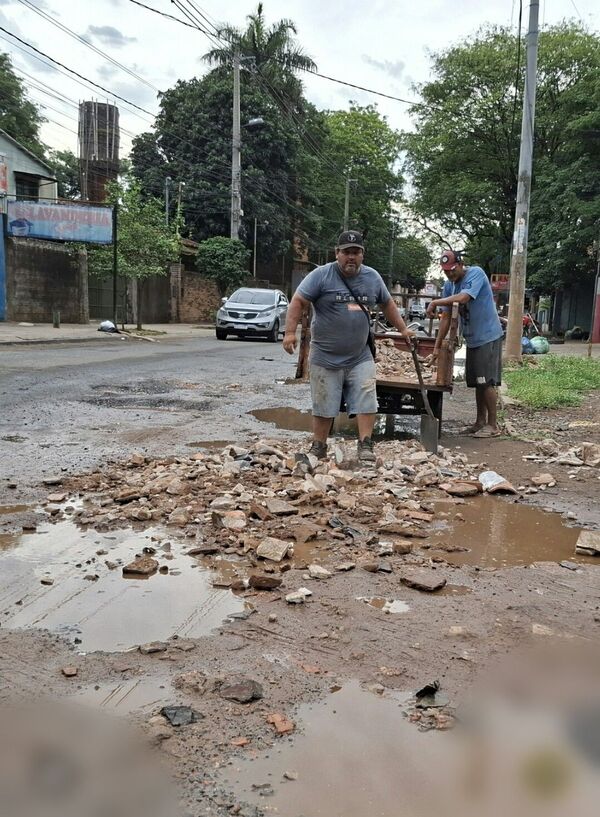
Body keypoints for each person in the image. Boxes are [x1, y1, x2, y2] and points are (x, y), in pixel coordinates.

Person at [283, 230, 414, 463]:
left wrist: (403, 330)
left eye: (356, 252)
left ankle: (365, 445)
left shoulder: (372, 278)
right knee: (323, 402)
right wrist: (290, 332)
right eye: (346, 253)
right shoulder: (321, 276)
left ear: (362, 255)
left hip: (359, 355)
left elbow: (387, 304)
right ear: (337, 253)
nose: (350, 257)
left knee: (366, 398)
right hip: (325, 356)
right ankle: (319, 446)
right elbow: (298, 301)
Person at [427, 250, 503, 438]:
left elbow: (464, 298)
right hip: (472, 338)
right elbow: (445, 318)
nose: (450, 274)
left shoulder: (475, 273)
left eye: (452, 270)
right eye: (446, 272)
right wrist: (437, 348)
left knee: (486, 382)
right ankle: (479, 422)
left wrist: (435, 301)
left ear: (461, 265)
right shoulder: (448, 286)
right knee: (478, 382)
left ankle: (493, 425)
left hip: (488, 335)